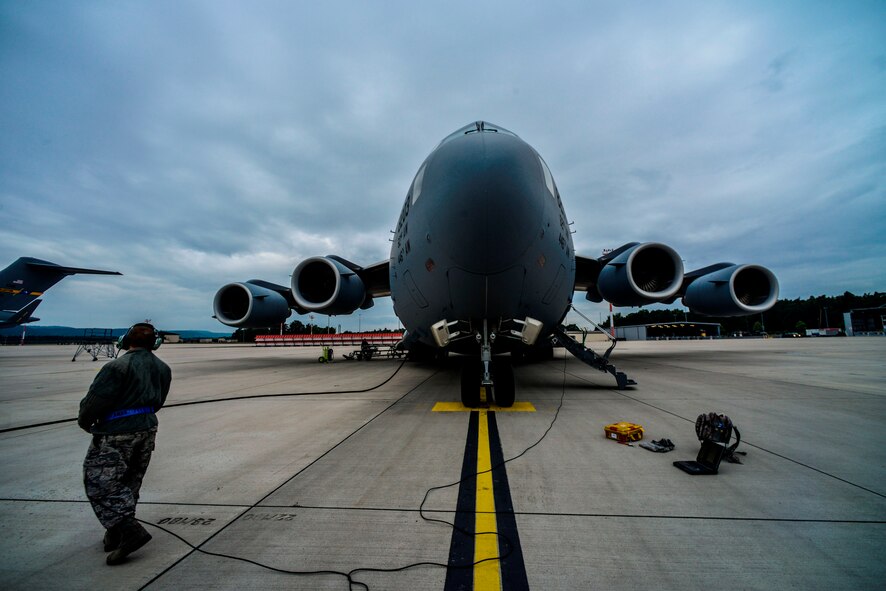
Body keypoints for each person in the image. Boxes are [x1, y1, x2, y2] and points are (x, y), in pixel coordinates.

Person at [78, 323, 172, 565]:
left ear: (124, 341)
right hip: (147, 429)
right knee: (130, 481)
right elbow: (159, 401)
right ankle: (116, 532)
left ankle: (129, 531)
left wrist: (86, 421)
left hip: (116, 432)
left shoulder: (116, 367)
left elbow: (94, 403)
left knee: (99, 484)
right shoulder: (163, 368)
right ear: (155, 344)